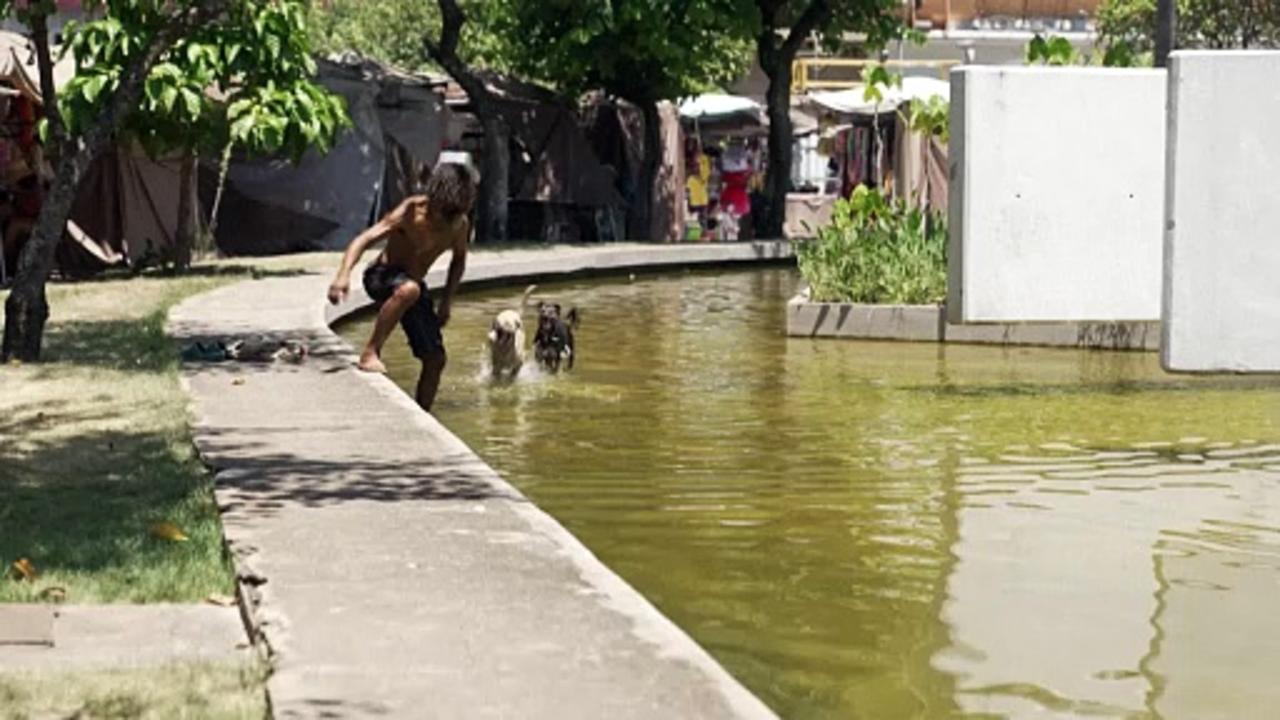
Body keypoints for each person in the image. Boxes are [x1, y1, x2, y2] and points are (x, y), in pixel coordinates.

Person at [327, 162, 477, 412]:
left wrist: (447, 302)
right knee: (409, 290)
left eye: (454, 214)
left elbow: (459, 260)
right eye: (445, 212)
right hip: (381, 276)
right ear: (436, 198)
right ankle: (370, 352)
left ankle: (424, 415)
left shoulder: (459, 225)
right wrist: (343, 275)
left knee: (436, 359)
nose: (446, 220)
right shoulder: (410, 210)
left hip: (412, 286)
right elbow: (365, 239)